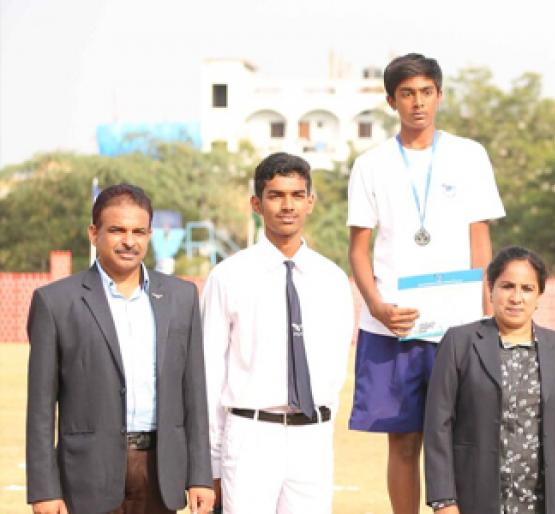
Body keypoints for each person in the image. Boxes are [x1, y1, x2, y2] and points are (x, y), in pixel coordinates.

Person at [346, 53, 505, 514]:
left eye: (427, 92)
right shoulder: (371, 164)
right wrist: (376, 305)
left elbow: (481, 244)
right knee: (403, 440)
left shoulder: (469, 155)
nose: (418, 102)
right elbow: (359, 249)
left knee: (461, 436)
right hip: (396, 323)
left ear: (440, 94)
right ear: (392, 100)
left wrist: (486, 319)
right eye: (408, 94)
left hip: (458, 326)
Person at [26, 184, 214, 514]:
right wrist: (44, 490)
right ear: (93, 233)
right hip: (86, 477)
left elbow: (194, 395)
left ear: (150, 234)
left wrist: (200, 475)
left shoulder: (181, 298)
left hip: (160, 474)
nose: (129, 241)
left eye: (138, 231)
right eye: (117, 230)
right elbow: (41, 409)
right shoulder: (55, 302)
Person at [201, 153, 355, 512]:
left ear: (310, 202)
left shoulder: (330, 279)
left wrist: (320, 428)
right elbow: (209, 373)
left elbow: (333, 369)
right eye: (276, 195)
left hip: (312, 437)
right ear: (257, 203)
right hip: (251, 432)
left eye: (297, 195)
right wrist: (211, 461)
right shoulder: (228, 277)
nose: (288, 205)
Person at [424, 246, 555, 514]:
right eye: (507, 286)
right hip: (475, 500)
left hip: (546, 503)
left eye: (527, 288)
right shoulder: (459, 343)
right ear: (490, 289)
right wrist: (444, 501)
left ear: (539, 295)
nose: (516, 297)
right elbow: (438, 425)